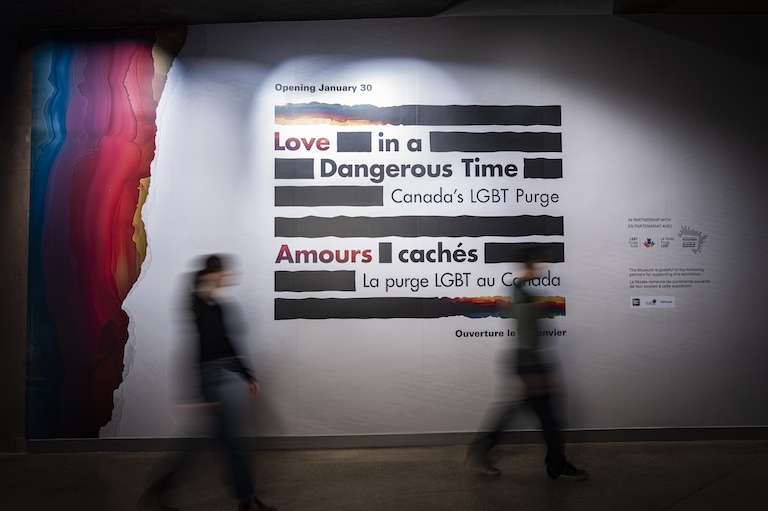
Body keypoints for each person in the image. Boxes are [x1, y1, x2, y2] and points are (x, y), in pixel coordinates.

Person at [138, 255, 276, 511]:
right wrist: (195, 395)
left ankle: (162, 490)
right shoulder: (198, 306)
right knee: (231, 442)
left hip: (225, 375)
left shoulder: (219, 307)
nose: (228, 277)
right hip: (212, 379)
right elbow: (200, 350)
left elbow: (227, 344)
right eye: (223, 272)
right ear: (212, 274)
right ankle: (246, 499)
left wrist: (247, 374)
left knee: (216, 442)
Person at [467, 250, 587, 481]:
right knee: (547, 416)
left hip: (529, 360)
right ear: (528, 265)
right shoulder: (521, 293)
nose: (541, 269)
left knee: (540, 414)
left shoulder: (522, 291)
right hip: (529, 361)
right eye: (537, 264)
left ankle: (483, 450)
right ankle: (554, 463)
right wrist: (533, 370)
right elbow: (527, 335)